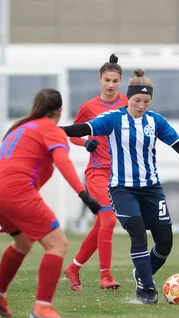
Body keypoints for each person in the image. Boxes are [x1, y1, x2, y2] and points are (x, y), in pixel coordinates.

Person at [60, 68, 179, 304]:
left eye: (146, 101)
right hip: (122, 189)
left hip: (151, 189)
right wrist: (54, 130)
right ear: (129, 98)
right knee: (138, 235)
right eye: (137, 100)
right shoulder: (114, 118)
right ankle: (147, 290)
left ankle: (141, 274)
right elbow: (82, 129)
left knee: (165, 242)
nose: (141, 105)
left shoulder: (155, 121)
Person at [0, 88, 102, 318]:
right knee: (58, 243)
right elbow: (63, 162)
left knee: (23, 242)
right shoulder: (51, 130)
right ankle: (42, 308)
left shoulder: (21, 127)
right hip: (16, 191)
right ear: (60, 111)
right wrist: (83, 194)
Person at [64, 54, 128, 292]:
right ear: (100, 79)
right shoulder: (88, 107)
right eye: (107, 80)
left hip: (121, 174)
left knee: (101, 225)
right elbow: (71, 134)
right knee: (110, 220)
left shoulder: (127, 103)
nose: (111, 85)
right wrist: (85, 144)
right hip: (98, 173)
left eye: (115, 81)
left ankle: (73, 268)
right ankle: (106, 276)